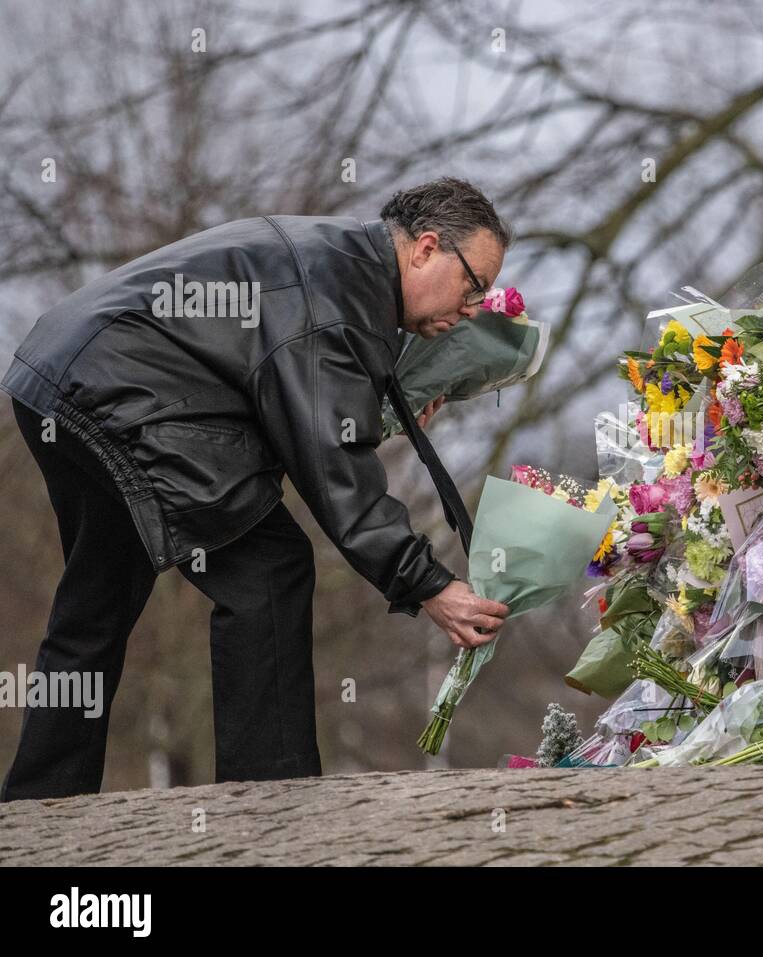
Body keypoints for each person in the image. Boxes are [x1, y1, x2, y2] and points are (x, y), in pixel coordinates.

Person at [1, 178, 511, 800]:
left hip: (56, 377)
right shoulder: (342, 295)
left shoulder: (340, 260)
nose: (475, 308)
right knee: (268, 568)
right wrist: (427, 583)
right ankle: (271, 803)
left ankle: (39, 802)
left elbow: (295, 397)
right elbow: (331, 459)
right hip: (121, 395)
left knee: (99, 595)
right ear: (426, 249)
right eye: (475, 285)